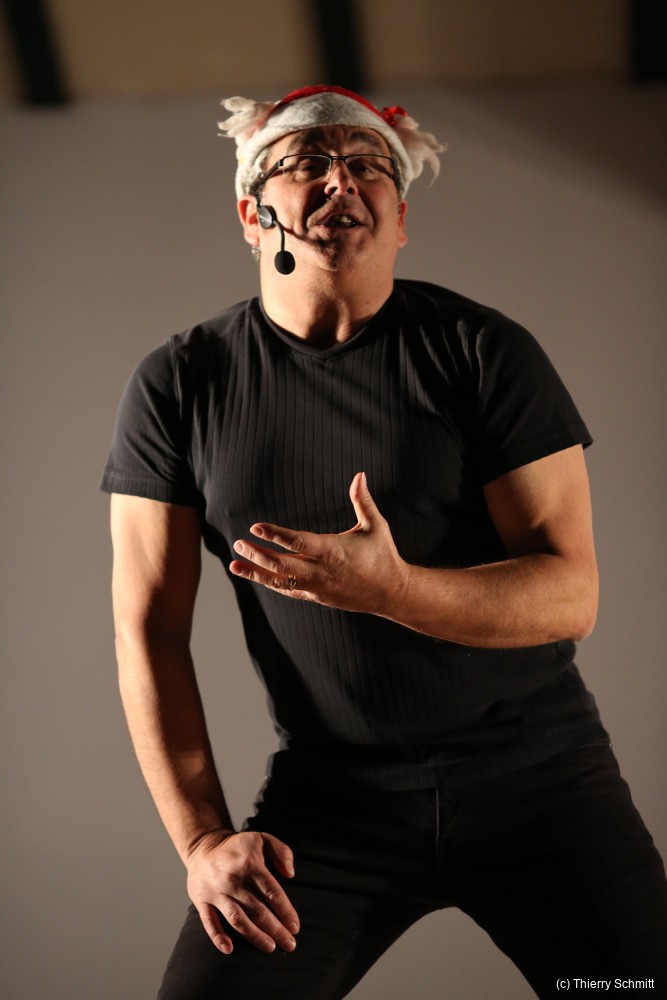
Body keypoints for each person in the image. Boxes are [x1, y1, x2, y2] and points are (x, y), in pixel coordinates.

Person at [101, 85, 667, 999]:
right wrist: (203, 840)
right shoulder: (179, 384)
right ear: (251, 214)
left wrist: (392, 591)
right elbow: (149, 631)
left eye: (370, 166)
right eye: (307, 162)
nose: (342, 180)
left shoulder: (483, 350)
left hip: (539, 779)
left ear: (401, 220)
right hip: (333, 800)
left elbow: (572, 595)